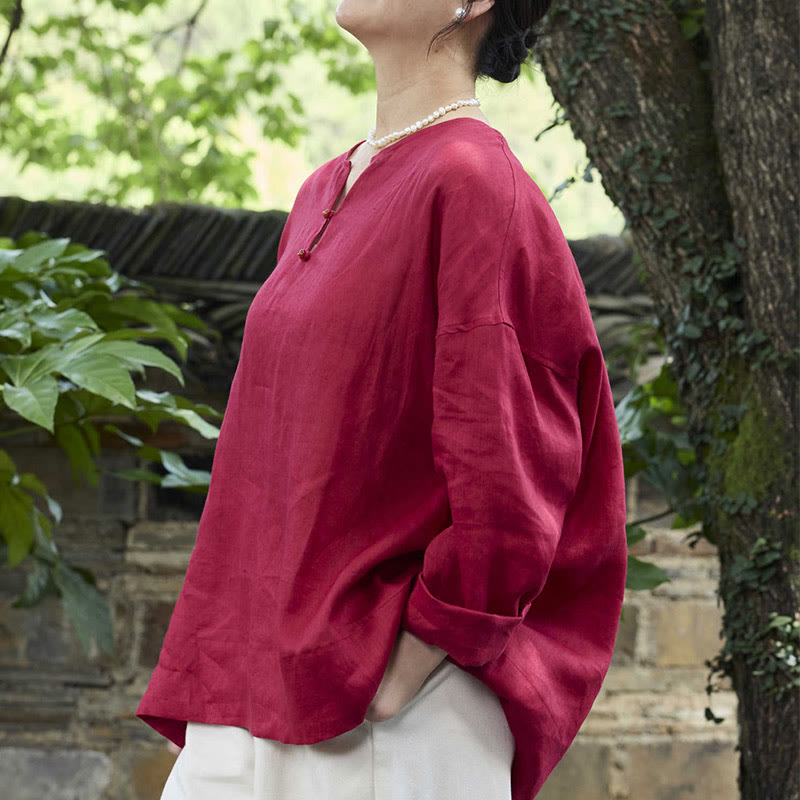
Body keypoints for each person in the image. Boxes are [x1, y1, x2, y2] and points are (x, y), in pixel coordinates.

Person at [137, 1, 629, 799]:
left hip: (380, 719)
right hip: (252, 685)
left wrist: (406, 665)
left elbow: (509, 475)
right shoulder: (322, 188)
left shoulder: (474, 183)